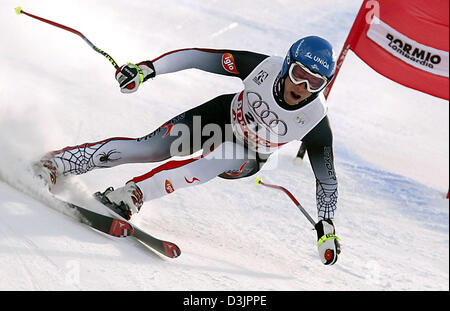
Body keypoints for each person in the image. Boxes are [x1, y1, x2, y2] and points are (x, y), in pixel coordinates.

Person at [33, 36, 341, 265]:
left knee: (226, 156)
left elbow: (327, 180)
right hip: (220, 117)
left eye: (315, 82)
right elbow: (198, 56)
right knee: (150, 148)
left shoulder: (315, 120)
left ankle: (132, 195)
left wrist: (326, 227)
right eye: (300, 74)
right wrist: (147, 70)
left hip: (249, 155)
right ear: (288, 65)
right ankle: (59, 163)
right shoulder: (263, 67)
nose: (303, 87)